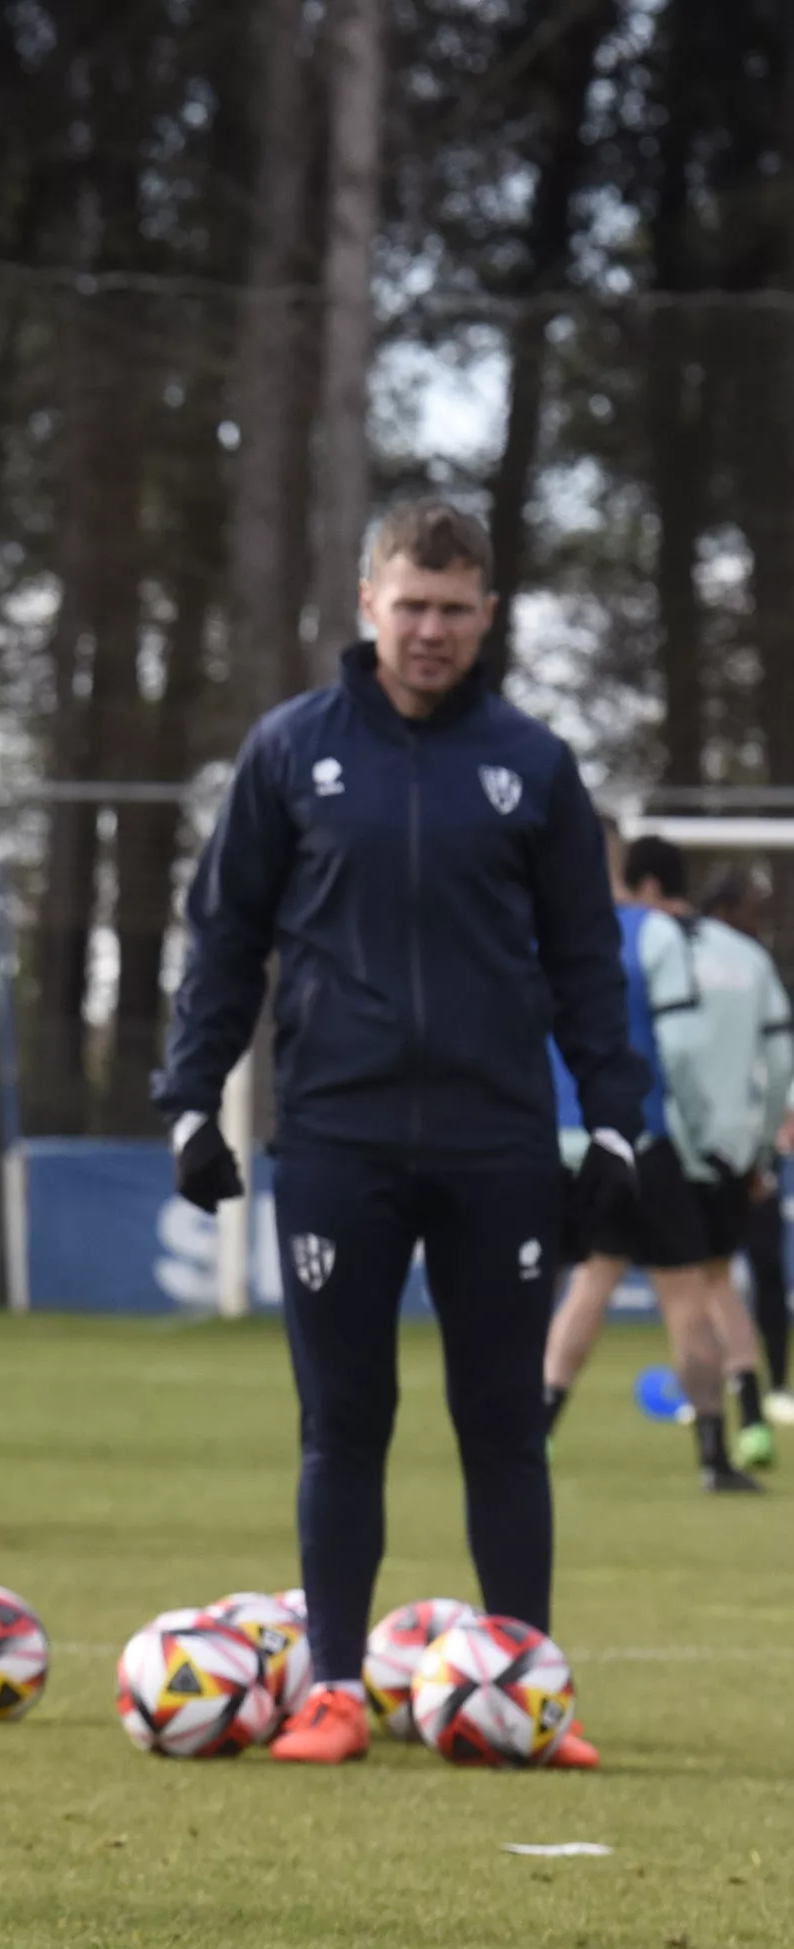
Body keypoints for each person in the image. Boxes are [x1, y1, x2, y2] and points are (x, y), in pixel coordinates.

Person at [155, 496, 645, 1769]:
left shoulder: (535, 763)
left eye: (455, 609)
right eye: (411, 605)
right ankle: (332, 1690)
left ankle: (527, 1693)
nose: (432, 630)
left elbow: (587, 961)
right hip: (338, 1136)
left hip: (497, 1143)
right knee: (344, 1420)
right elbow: (226, 938)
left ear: (489, 617)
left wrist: (615, 1128)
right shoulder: (290, 750)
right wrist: (190, 1099)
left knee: (504, 1422)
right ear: (367, 604)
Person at [538, 836, 765, 1491]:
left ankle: (537, 1430)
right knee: (686, 1296)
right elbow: (681, 1049)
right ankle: (712, 1454)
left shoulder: (547, 930)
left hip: (567, 1140)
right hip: (641, 1143)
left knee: (589, 1285)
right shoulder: (653, 934)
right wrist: (702, 1135)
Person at [697, 867, 794, 1442]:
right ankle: (754, 1403)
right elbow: (778, 1063)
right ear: (726, 907)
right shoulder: (751, 967)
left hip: (698, 1143)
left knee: (704, 1278)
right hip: (742, 1147)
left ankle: (744, 1400)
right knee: (724, 1275)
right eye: (754, 908)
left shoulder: (691, 958)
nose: (761, 919)